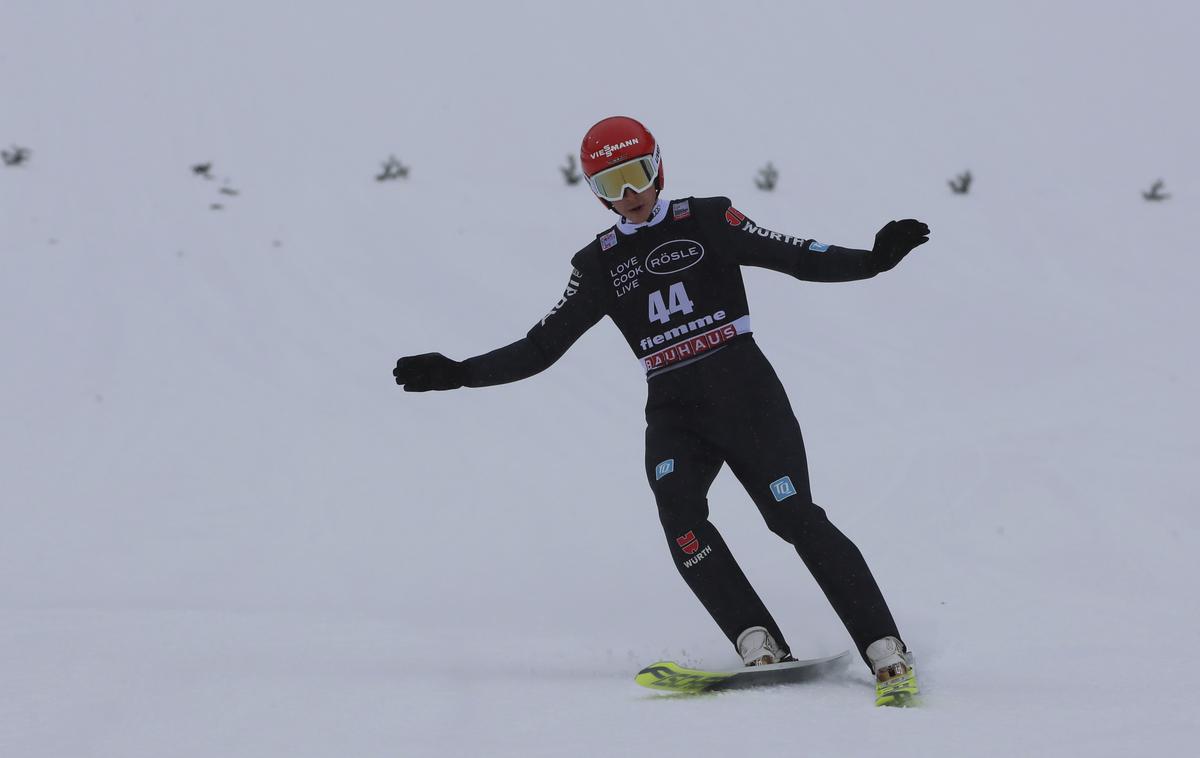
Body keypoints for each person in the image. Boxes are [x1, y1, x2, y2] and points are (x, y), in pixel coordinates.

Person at [393, 116, 929, 706]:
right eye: (610, 184)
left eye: (636, 176)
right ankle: (758, 643)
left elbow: (793, 255)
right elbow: (542, 346)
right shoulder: (597, 264)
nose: (628, 196)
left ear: (658, 168)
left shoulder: (707, 219)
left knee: (792, 516)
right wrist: (460, 373)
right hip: (676, 413)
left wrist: (872, 260)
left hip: (747, 395)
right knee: (681, 520)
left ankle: (885, 650)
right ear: (594, 192)